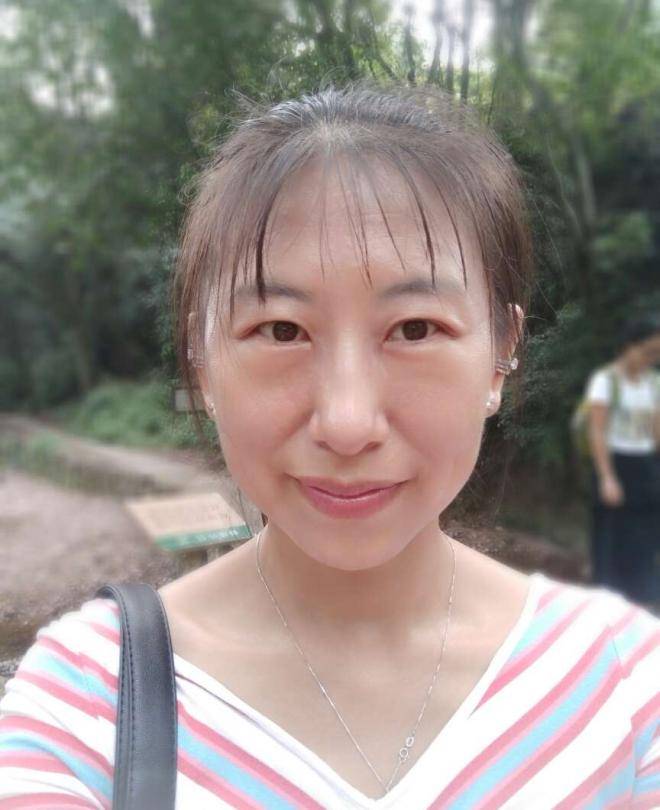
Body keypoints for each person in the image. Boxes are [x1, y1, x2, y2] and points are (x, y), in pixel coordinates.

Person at [1, 83, 659, 808]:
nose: (347, 423)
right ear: (201, 359)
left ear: (502, 351)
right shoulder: (85, 710)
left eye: (415, 329)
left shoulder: (626, 688)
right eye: (281, 331)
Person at [586, 317, 660, 608]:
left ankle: (642, 600)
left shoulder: (654, 383)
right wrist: (607, 477)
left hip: (645, 466)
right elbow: (597, 431)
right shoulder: (605, 381)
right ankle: (607, 603)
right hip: (614, 464)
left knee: (645, 534)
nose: (652, 359)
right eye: (648, 352)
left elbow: (656, 434)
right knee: (611, 535)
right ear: (629, 346)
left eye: (657, 354)